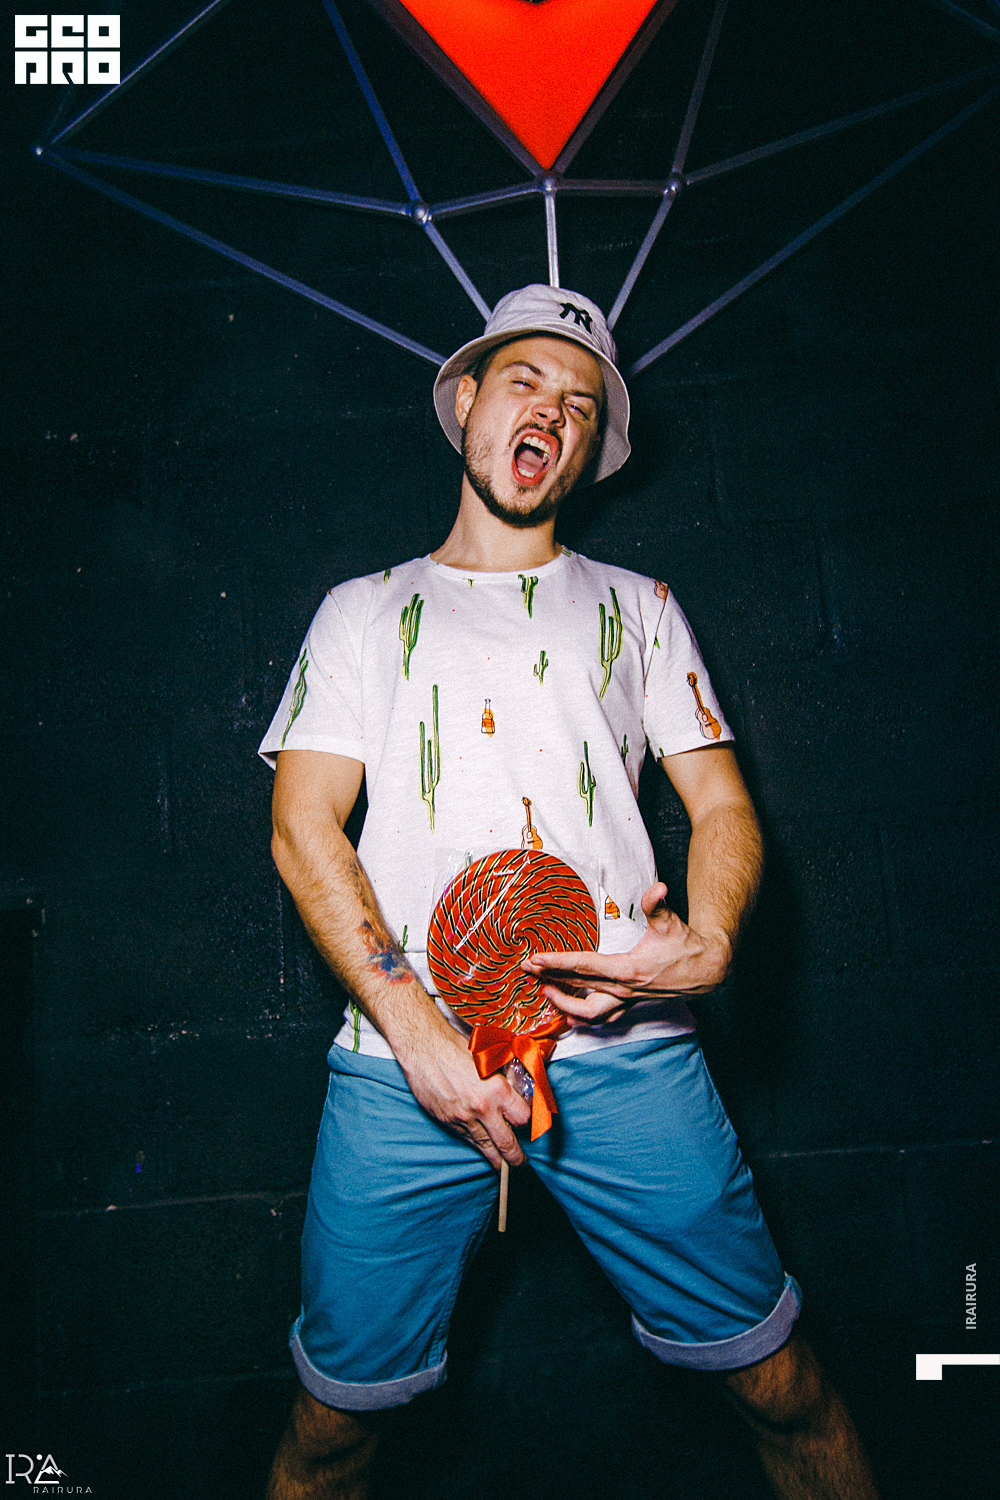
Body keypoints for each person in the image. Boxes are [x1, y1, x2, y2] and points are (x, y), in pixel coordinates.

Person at [260, 284, 879, 1500]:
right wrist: (420, 1035)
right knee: (332, 1429)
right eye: (525, 381)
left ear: (590, 451)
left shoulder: (642, 608)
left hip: (624, 1054)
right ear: (466, 402)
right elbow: (300, 825)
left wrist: (711, 941)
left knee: (781, 1386)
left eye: (581, 404)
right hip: (406, 1067)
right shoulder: (363, 612)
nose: (551, 410)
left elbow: (722, 809)